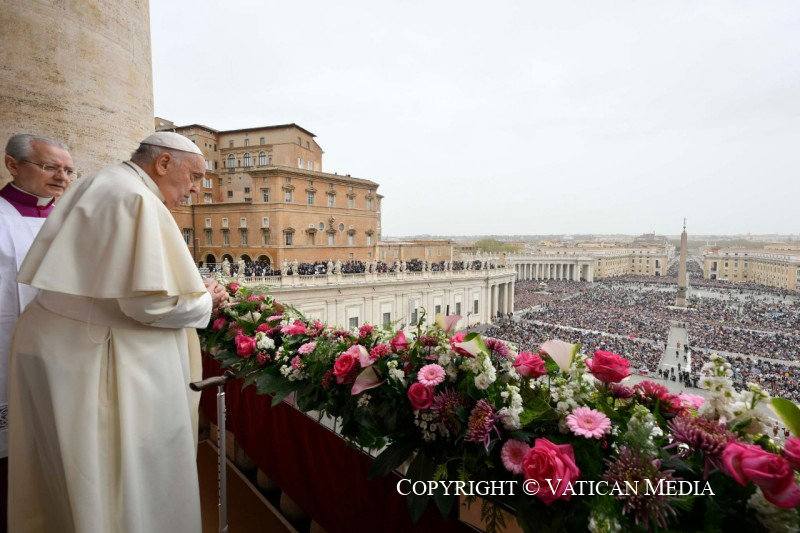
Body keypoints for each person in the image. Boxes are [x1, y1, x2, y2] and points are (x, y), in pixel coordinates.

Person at [7, 132, 228, 532]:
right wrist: (206, 302)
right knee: (112, 475)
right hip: (96, 360)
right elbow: (147, 304)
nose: (197, 189)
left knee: (70, 472)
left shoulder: (103, 182)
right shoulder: (137, 199)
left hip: (67, 347)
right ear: (163, 164)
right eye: (194, 177)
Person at [0, 133, 74, 531]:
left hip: (61, 351)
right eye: (50, 167)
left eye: (67, 170)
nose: (62, 177)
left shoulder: (72, 220)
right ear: (13, 165)